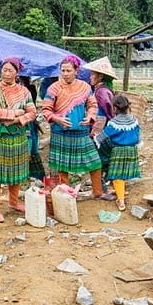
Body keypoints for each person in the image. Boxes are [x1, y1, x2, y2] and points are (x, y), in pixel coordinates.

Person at [41, 55, 105, 199]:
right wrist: (57, 119)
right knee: (62, 166)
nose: (65, 74)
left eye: (68, 70)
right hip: (61, 132)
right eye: (62, 70)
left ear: (76, 71)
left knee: (94, 162)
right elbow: (45, 109)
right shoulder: (53, 88)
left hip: (82, 132)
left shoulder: (85, 87)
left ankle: (97, 192)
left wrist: (90, 117)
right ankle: (66, 195)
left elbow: (92, 105)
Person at [0, 57, 37, 223]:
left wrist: (15, 120)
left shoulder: (24, 92)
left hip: (18, 137)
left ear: (17, 72)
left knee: (16, 172)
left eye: (10, 70)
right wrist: (15, 113)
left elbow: (32, 113)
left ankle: (13, 202)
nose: (6, 74)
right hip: (0, 137)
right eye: (4, 70)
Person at [93, 95, 141, 212]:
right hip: (132, 150)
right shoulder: (134, 120)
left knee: (117, 176)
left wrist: (95, 137)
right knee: (123, 172)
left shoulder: (113, 123)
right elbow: (139, 136)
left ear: (114, 108)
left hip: (119, 151)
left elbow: (102, 137)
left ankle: (121, 201)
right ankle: (121, 190)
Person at [83, 56, 118, 200]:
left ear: (100, 76)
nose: (90, 77)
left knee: (100, 157)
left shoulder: (101, 92)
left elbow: (105, 114)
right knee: (101, 157)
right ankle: (103, 187)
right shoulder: (102, 90)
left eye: (92, 74)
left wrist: (95, 133)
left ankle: (102, 188)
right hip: (103, 127)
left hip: (101, 129)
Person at [19, 76, 45, 181]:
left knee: (29, 145)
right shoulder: (32, 88)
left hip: (26, 120)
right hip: (30, 120)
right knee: (32, 144)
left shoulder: (26, 90)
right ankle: (35, 176)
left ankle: (27, 175)